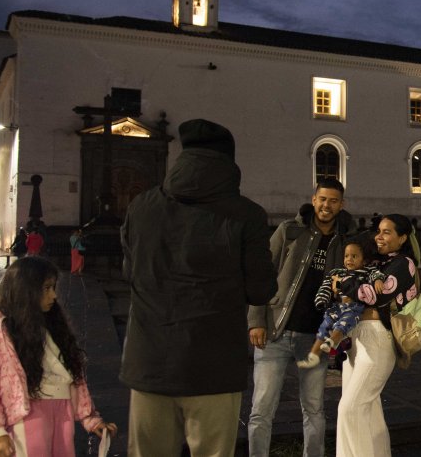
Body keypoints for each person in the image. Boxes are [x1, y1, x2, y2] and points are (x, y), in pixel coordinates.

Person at [119, 119, 277, 457]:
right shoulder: (246, 215)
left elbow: (130, 272)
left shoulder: (141, 206)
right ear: (229, 162)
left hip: (150, 361)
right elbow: (261, 290)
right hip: (213, 366)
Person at [247, 177, 360, 457]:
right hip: (275, 331)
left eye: (333, 201)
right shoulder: (290, 230)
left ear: (341, 204)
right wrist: (256, 321)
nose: (326, 205)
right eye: (322, 199)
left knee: (314, 409)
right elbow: (263, 274)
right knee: (261, 409)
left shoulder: (346, 241)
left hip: (315, 337)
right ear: (313, 199)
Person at [0, 256, 117, 456]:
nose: (53, 295)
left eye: (53, 287)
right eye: (46, 288)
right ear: (26, 290)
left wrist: (90, 419)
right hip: (27, 417)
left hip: (63, 412)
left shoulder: (53, 326)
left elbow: (73, 376)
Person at [336, 213, 421, 457]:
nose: (379, 237)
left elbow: (377, 295)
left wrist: (342, 283)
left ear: (402, 238)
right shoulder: (378, 263)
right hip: (356, 339)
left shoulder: (404, 264)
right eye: (379, 231)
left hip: (378, 339)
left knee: (350, 409)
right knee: (369, 410)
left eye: (387, 232)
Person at [297, 236, 385, 369]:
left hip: (354, 307)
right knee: (325, 325)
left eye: (354, 256)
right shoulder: (337, 272)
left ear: (364, 260)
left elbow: (376, 274)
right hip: (337, 306)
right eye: (346, 256)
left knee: (344, 322)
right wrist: (321, 299)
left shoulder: (367, 271)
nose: (349, 259)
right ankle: (313, 356)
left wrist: (378, 280)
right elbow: (325, 287)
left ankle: (333, 342)